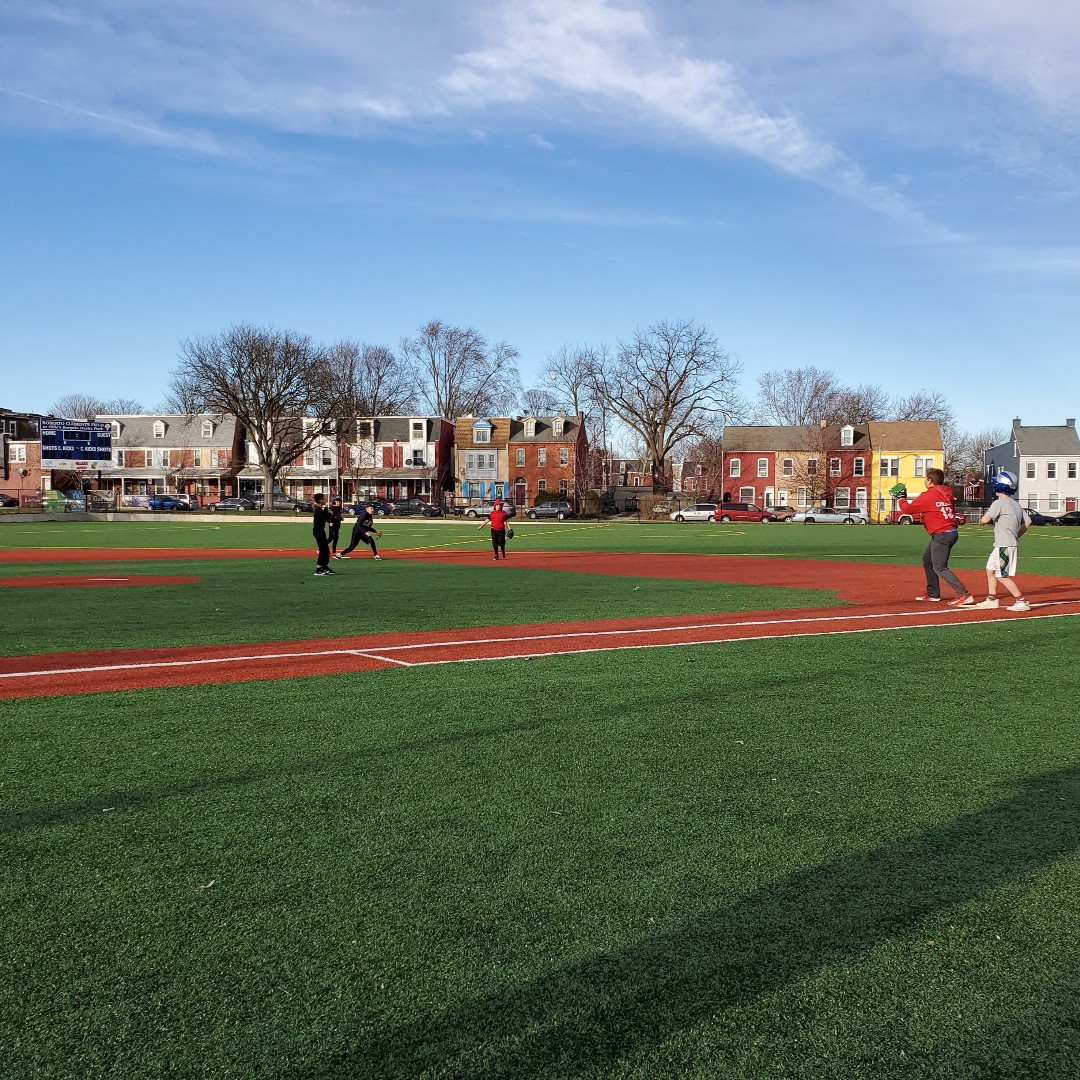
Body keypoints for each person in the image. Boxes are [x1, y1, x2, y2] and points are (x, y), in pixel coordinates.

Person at [893, 468, 973, 606]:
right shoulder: (947, 493)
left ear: (930, 481)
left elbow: (907, 510)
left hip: (942, 534)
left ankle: (964, 594)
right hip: (949, 531)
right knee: (928, 559)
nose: (925, 480)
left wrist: (901, 499)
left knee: (940, 567)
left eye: (926, 478)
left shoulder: (929, 495)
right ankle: (933, 593)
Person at [973, 471, 1031, 611]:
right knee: (990, 570)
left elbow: (984, 520)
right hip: (1002, 544)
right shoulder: (1016, 504)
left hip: (1004, 545)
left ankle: (1021, 601)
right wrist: (1016, 535)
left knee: (1002, 576)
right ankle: (992, 599)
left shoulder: (998, 503)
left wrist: (983, 520)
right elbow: (1028, 522)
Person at [311, 493, 334, 576]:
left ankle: (324, 566)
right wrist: (328, 514)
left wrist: (327, 513)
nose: (325, 500)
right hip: (318, 531)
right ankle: (319, 567)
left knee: (326, 549)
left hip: (320, 530)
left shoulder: (320, 509)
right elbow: (323, 519)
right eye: (324, 499)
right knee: (323, 549)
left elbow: (325, 518)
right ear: (320, 500)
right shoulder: (317, 509)